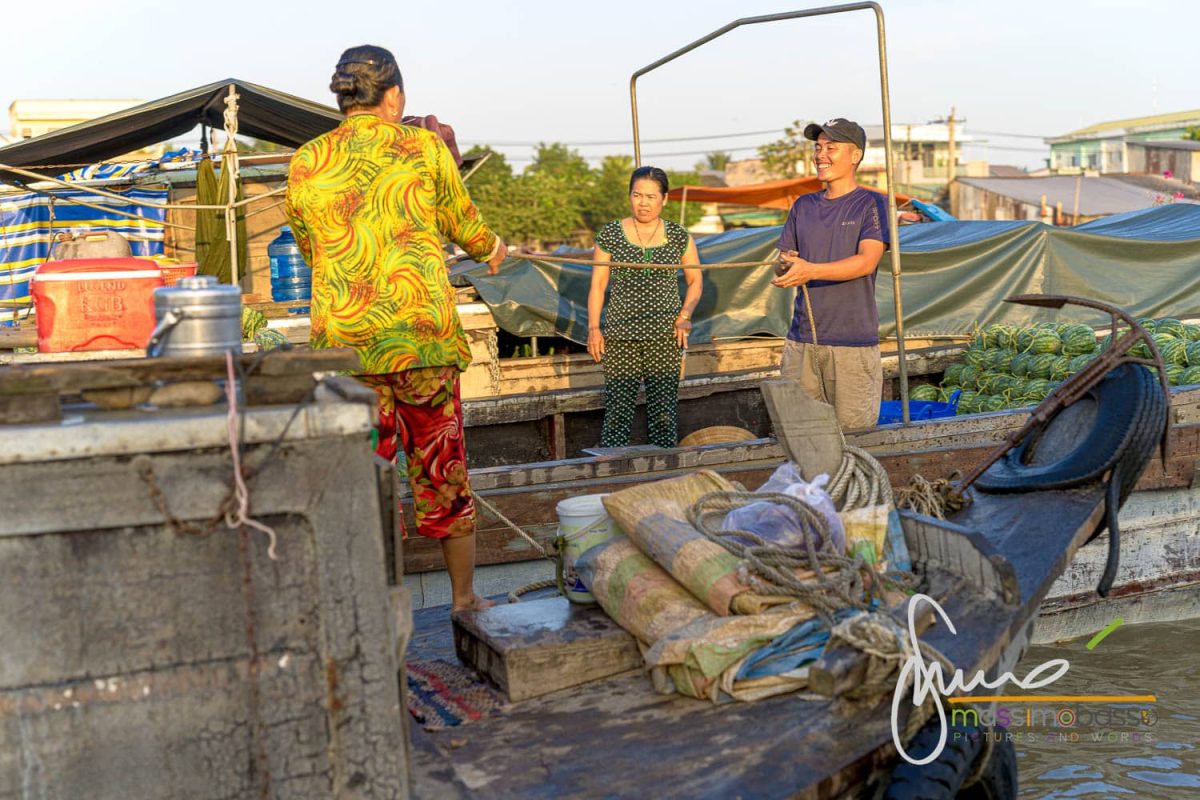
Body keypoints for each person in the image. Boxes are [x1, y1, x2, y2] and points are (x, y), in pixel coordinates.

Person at [285, 45, 507, 613]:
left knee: (361, 477)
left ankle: (370, 607)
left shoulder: (307, 160)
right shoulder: (423, 146)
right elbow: (463, 223)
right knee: (441, 469)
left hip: (346, 350)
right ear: (395, 95)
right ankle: (462, 600)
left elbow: (310, 249)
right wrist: (492, 249)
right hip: (422, 342)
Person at [771, 118, 889, 430]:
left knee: (853, 440)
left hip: (852, 346)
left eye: (831, 148)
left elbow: (866, 261)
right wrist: (786, 266)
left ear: (855, 156)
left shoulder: (872, 203)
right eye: (818, 147)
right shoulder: (803, 206)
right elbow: (783, 260)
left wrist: (810, 270)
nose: (821, 154)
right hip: (801, 343)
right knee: (800, 438)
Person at [587, 166, 702, 448]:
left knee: (664, 412)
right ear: (629, 196)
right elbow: (598, 285)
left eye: (651, 196)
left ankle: (664, 474)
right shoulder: (611, 234)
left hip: (666, 335)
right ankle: (613, 477)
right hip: (619, 334)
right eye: (637, 195)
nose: (643, 203)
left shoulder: (678, 236)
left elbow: (696, 281)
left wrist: (685, 316)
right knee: (617, 410)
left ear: (664, 199)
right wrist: (593, 328)